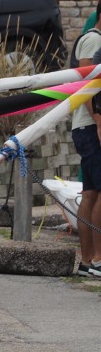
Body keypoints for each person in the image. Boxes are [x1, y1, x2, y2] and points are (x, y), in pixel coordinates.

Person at [69, 27, 101, 277]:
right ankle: (98, 260)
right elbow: (87, 84)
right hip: (91, 127)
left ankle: (87, 261)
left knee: (90, 192)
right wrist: (99, 122)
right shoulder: (94, 40)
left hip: (90, 126)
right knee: (98, 192)